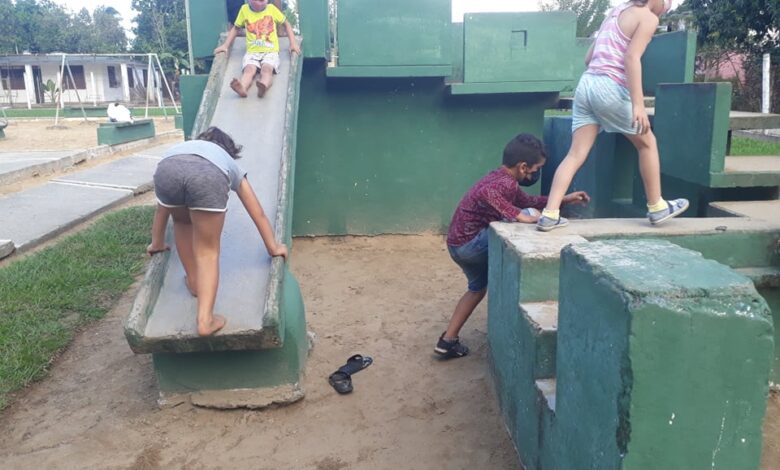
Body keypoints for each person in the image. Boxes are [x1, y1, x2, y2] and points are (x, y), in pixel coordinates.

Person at [537, 0, 688, 232]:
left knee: (575, 154)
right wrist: (638, 104)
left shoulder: (615, 12)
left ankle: (549, 213)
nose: (668, 6)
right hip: (609, 87)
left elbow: (588, 58)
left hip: (586, 85)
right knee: (647, 143)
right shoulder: (648, 18)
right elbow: (631, 58)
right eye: (667, 1)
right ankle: (657, 206)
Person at [435, 134, 589, 358]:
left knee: (477, 289)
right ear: (523, 166)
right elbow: (490, 195)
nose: (536, 174)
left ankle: (447, 341)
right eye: (536, 169)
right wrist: (517, 214)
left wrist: (562, 200)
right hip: (471, 245)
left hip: (457, 246)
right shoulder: (504, 182)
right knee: (531, 222)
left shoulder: (501, 178)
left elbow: (527, 200)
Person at [146, 126, 288, 336]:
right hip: (207, 176)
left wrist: (156, 243)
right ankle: (205, 321)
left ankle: (194, 282)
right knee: (207, 251)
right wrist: (273, 247)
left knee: (183, 223)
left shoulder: (182, 148)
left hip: (167, 169)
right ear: (229, 150)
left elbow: (161, 211)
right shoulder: (226, 161)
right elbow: (256, 211)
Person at [214, 0, 301, 98]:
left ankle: (263, 85)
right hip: (252, 52)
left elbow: (286, 24)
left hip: (270, 52)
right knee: (249, 70)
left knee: (267, 69)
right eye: (257, 2)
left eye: (262, 2)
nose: (260, 5)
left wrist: (293, 43)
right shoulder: (244, 10)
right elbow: (236, 28)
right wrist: (225, 45)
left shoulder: (271, 9)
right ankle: (242, 87)